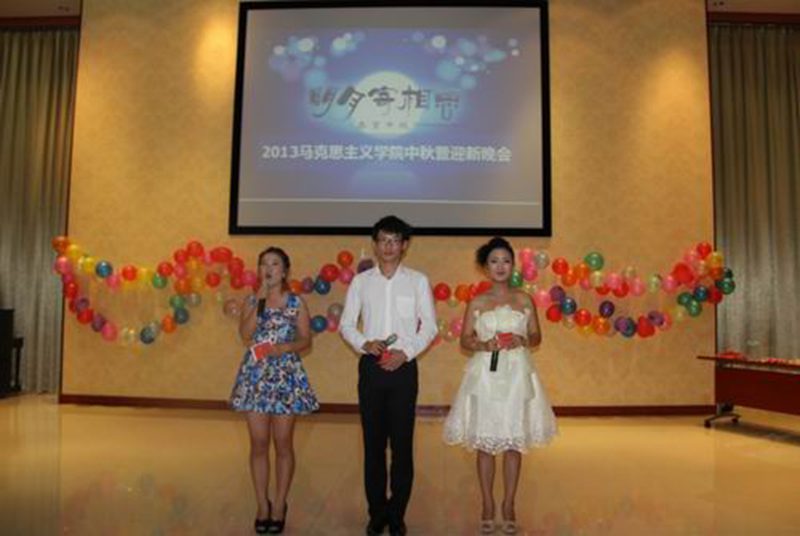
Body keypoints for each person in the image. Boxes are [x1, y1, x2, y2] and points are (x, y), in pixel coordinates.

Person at [443, 237, 557, 535]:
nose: (500, 266)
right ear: (485, 267)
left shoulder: (524, 299)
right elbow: (465, 340)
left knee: (513, 442)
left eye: (506, 260)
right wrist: (484, 344)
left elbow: (537, 336)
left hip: (517, 375)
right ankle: (487, 503)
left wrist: (522, 339)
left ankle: (508, 504)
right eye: (494, 261)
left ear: (513, 265)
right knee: (485, 443)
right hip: (485, 376)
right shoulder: (477, 302)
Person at [339, 215, 438, 536]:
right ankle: (377, 513)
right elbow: (346, 324)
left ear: (405, 245)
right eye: (383, 240)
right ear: (375, 244)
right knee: (373, 446)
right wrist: (364, 343)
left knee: (402, 446)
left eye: (395, 241)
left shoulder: (418, 281)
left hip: (403, 369)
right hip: (371, 367)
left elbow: (430, 326)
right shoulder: (361, 282)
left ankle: (397, 514)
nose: (389, 246)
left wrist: (405, 354)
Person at [230, 246, 319, 534]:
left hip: (285, 377)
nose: (268, 269)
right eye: (263, 264)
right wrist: (259, 300)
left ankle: (279, 504)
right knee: (258, 443)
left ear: (285, 271)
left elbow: (305, 340)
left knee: (283, 443)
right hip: (255, 377)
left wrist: (284, 347)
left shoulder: (296, 302)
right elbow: (245, 335)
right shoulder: (252, 300)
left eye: (275, 264)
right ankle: (262, 505)